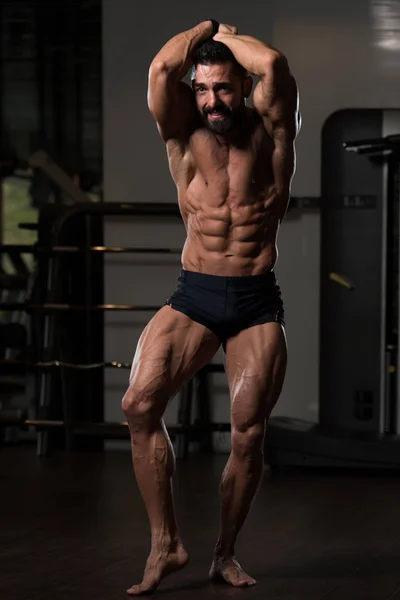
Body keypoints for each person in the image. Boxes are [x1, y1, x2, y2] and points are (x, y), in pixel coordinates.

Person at [122, 19, 301, 595]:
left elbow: (272, 65)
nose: (211, 100)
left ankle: (224, 553)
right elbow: (159, 70)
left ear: (241, 86)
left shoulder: (273, 133)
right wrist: (205, 27)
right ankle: (165, 543)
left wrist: (228, 33)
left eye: (223, 87)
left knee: (248, 436)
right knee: (139, 403)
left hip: (254, 299)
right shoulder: (183, 134)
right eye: (201, 89)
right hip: (195, 293)